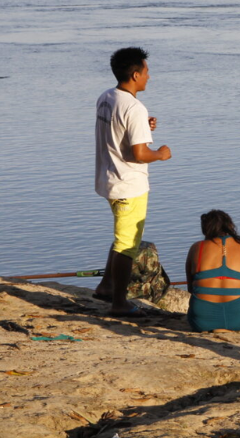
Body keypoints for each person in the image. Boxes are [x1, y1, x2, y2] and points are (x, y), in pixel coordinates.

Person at [92, 47, 172, 317]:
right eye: (147, 72)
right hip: (129, 184)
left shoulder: (106, 97)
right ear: (135, 74)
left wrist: (141, 126)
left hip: (108, 178)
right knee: (128, 244)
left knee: (121, 237)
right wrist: (160, 154)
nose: (150, 77)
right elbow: (139, 154)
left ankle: (105, 286)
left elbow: (117, 131)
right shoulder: (134, 107)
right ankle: (119, 302)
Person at [184, 210, 240, 332]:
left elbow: (191, 289)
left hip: (202, 323)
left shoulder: (196, 248)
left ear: (205, 229)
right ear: (230, 226)